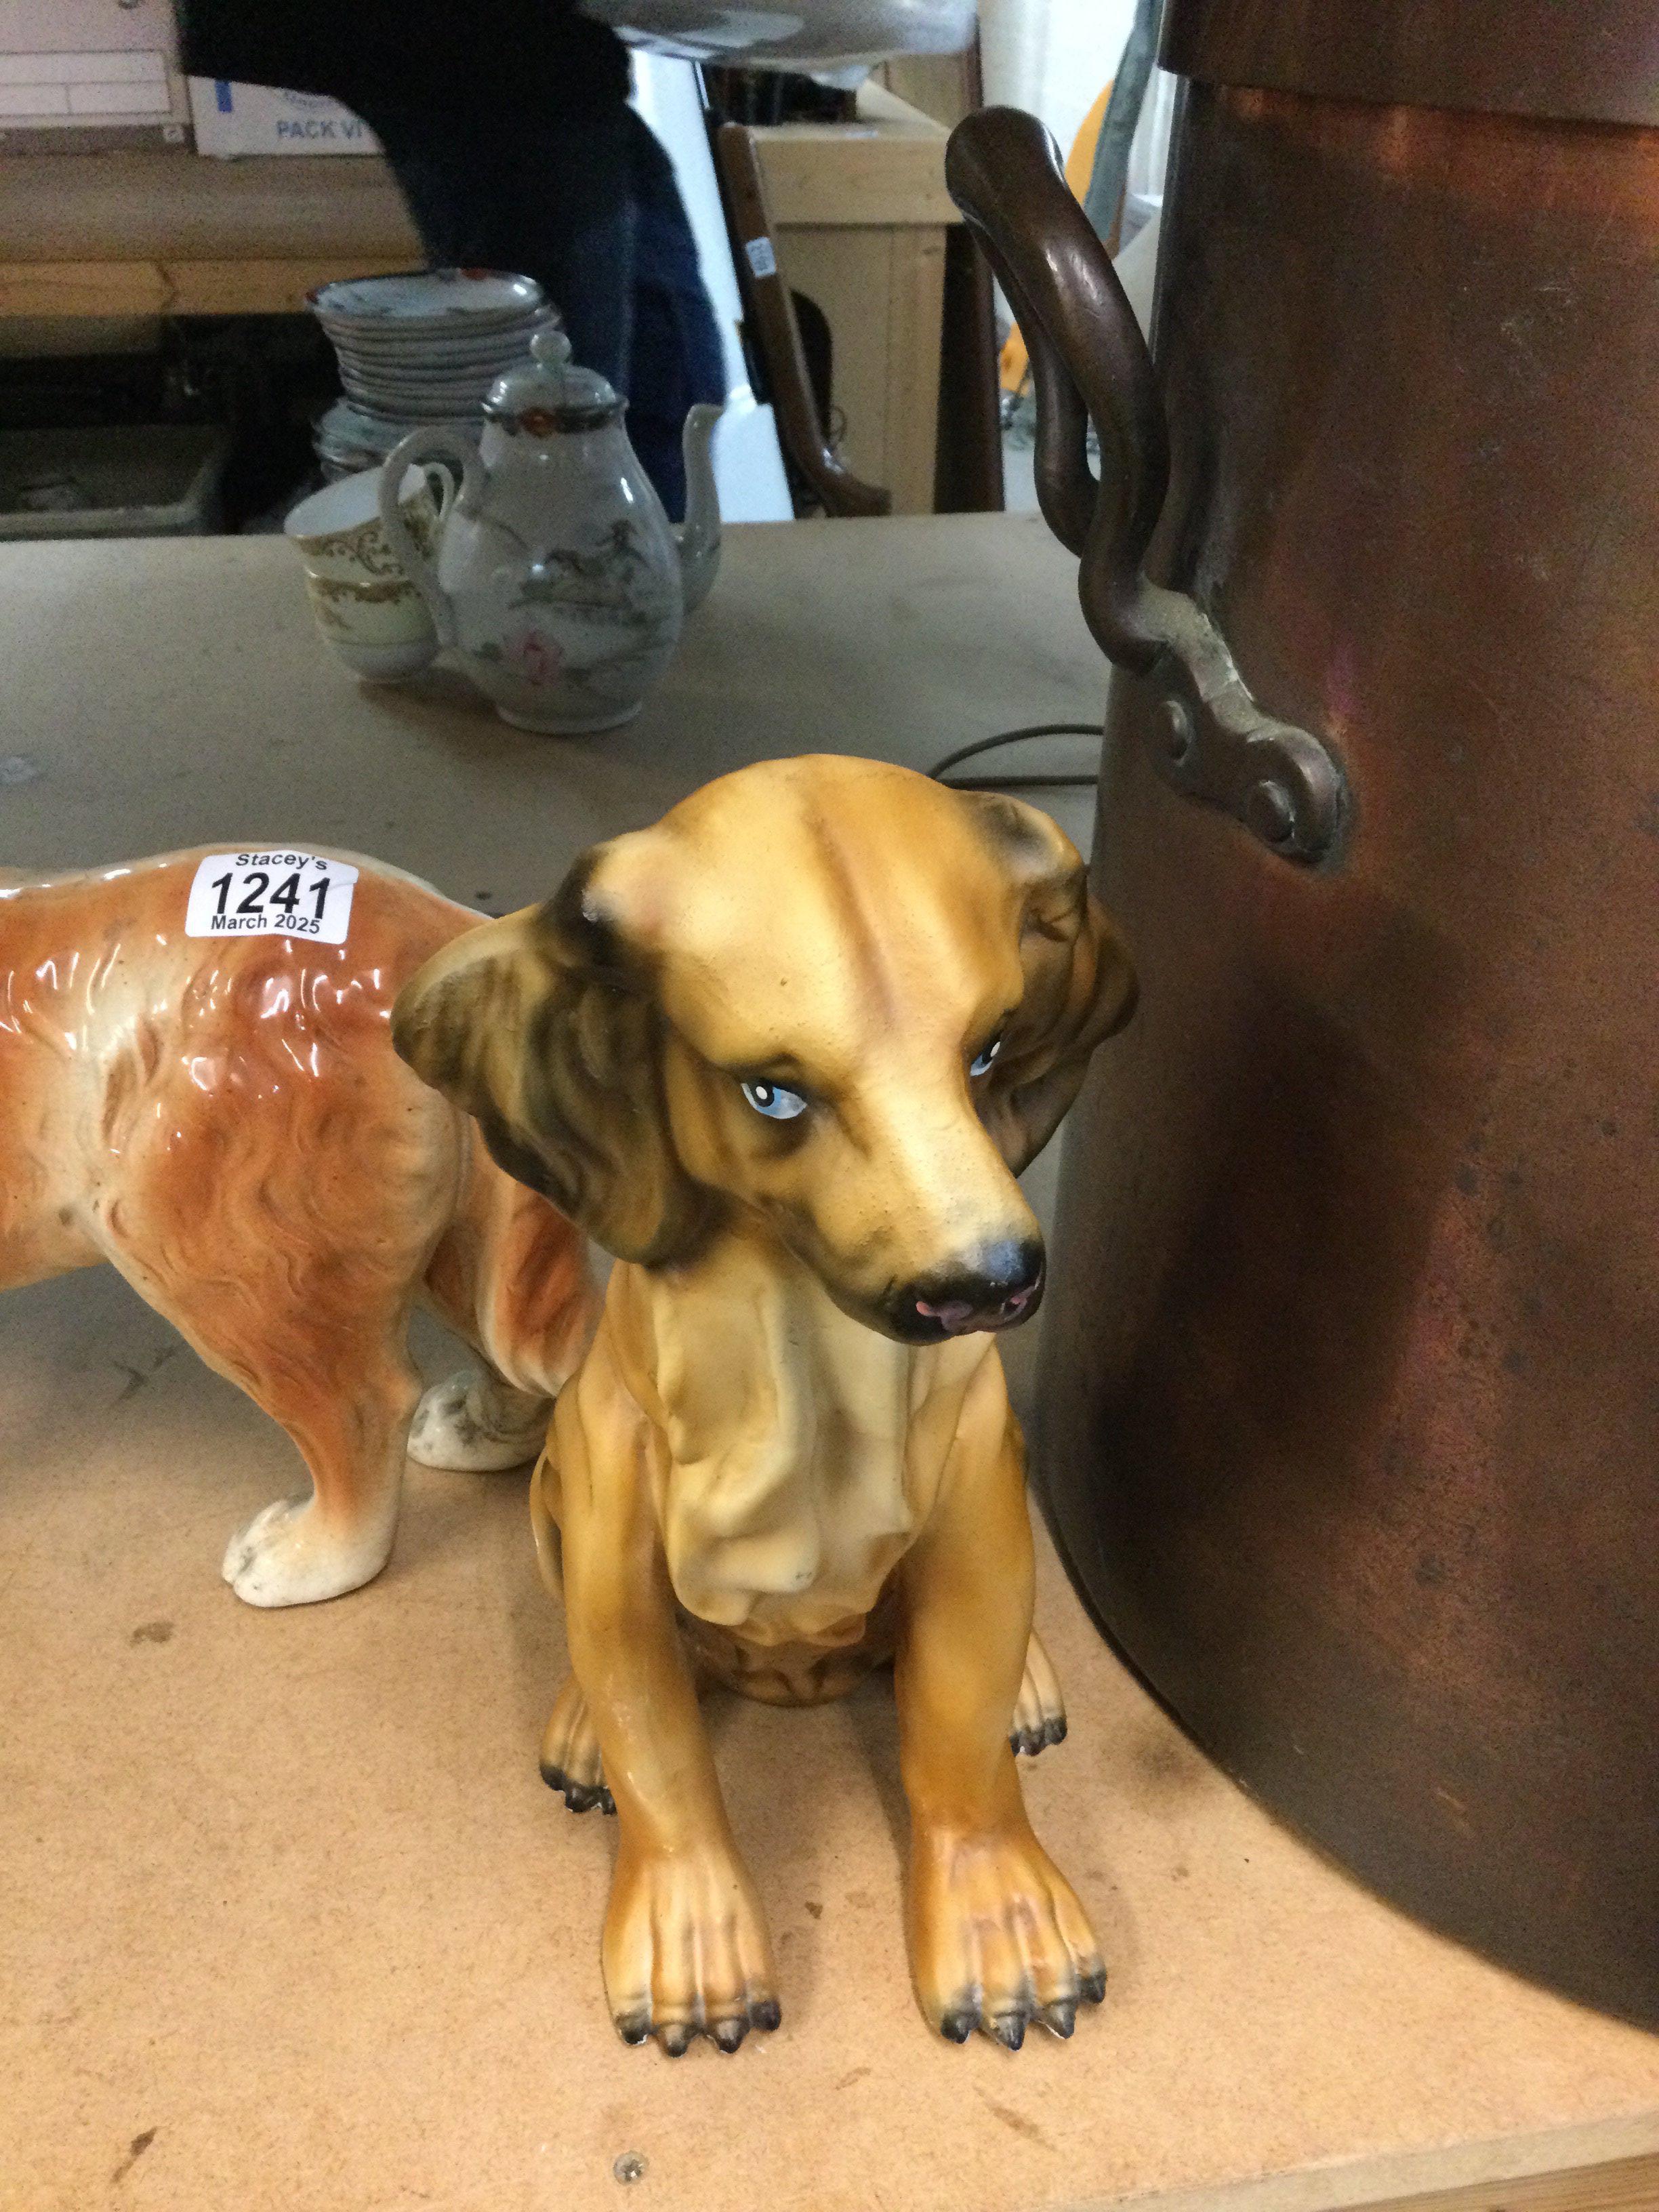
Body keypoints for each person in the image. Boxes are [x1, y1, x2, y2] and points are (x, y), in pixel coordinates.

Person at [177, 0, 726, 516]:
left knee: (651, 404)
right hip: (480, 51)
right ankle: (565, 602)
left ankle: (616, 591)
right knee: (562, 446)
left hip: (520, 56)